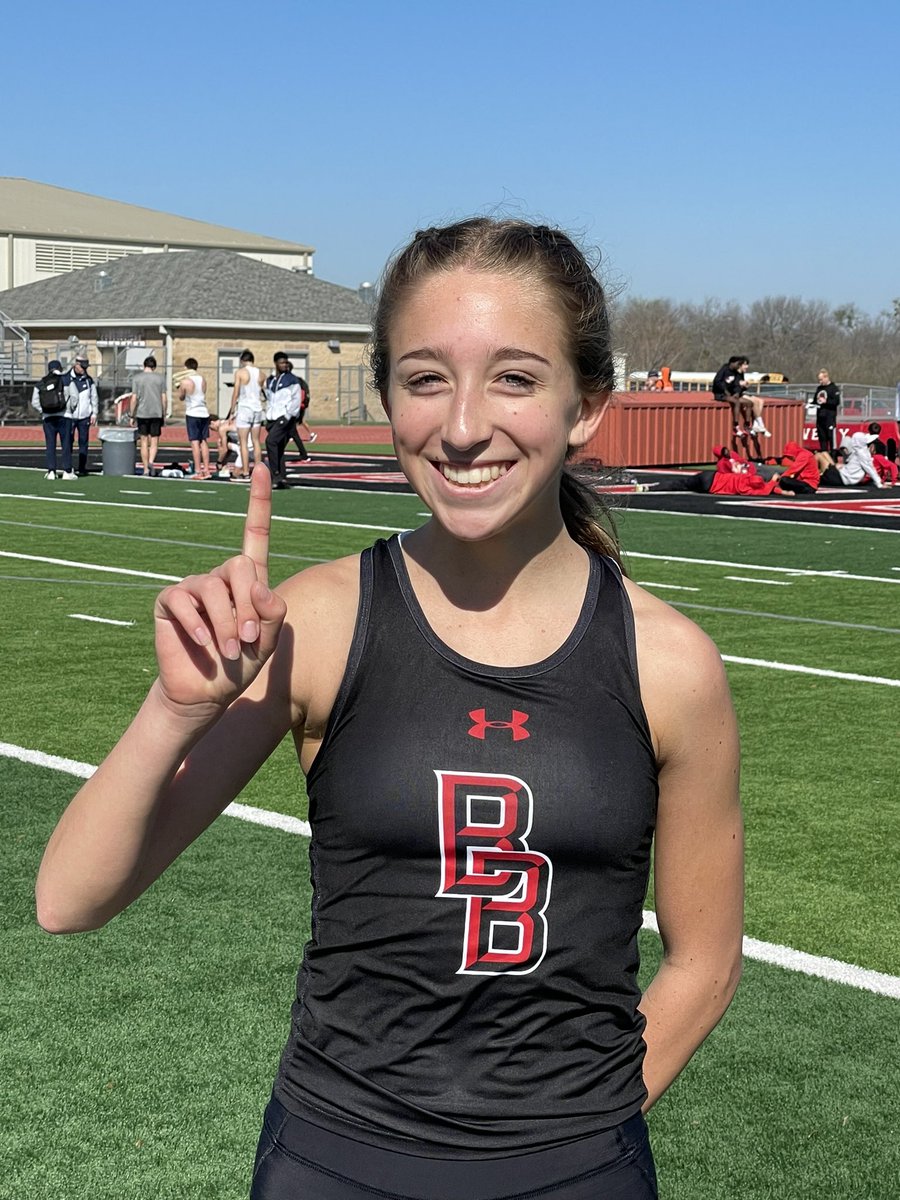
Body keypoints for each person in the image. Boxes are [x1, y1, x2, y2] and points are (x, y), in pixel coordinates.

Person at [36, 218, 744, 1200]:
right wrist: (174, 709)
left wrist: (579, 1136)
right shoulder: (319, 622)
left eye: (514, 377)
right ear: (385, 398)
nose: (463, 425)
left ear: (586, 405)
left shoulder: (668, 664)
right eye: (425, 379)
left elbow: (705, 962)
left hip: (578, 1169)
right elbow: (70, 900)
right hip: (333, 1163)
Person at [264, 352, 304, 487]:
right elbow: (270, 399)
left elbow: (296, 399)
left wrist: (288, 416)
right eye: (282, 362)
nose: (285, 365)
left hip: (284, 418)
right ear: (276, 363)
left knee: (270, 442)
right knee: (279, 447)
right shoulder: (270, 380)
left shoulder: (292, 380)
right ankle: (282, 478)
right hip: (272, 418)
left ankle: (275, 475)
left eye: (286, 362)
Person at [227, 350, 266, 482]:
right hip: (257, 409)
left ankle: (245, 472)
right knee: (256, 441)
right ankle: (258, 471)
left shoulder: (240, 372)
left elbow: (236, 392)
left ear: (242, 361)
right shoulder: (261, 374)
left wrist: (232, 411)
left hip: (245, 408)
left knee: (243, 442)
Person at [127, 356, 167, 476]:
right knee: (154, 440)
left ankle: (145, 469)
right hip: (156, 412)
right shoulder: (160, 378)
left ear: (144, 365)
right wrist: (164, 413)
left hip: (142, 413)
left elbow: (134, 398)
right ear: (154, 367)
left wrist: (131, 415)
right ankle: (151, 461)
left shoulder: (137, 378)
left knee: (143, 441)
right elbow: (164, 397)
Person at [61, 353, 99, 477]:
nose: (84, 370)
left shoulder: (89, 380)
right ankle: (68, 467)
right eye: (82, 367)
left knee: (83, 442)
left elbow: (94, 397)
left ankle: (82, 467)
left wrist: (94, 413)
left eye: (85, 367)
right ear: (76, 364)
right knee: (68, 441)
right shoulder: (66, 378)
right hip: (70, 416)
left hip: (84, 416)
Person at [31, 359, 67, 479]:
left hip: (47, 417)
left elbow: (34, 401)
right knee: (66, 444)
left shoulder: (42, 382)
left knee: (50, 445)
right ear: (60, 368)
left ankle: (51, 471)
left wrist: (43, 410)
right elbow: (69, 396)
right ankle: (67, 470)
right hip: (62, 416)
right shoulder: (64, 380)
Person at [179, 358, 211, 478]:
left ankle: (198, 470)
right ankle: (206, 469)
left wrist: (181, 389)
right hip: (203, 411)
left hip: (193, 412)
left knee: (195, 442)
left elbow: (181, 397)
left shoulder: (185, 381)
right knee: (204, 441)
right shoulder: (202, 379)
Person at [819, 430, 883, 488]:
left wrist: (879, 483)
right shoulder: (860, 452)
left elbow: (870, 469)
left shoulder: (862, 454)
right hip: (840, 474)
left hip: (839, 478)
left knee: (818, 456)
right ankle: (818, 474)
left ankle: (815, 476)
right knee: (824, 453)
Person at [711, 355, 749, 438]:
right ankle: (736, 426)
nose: (739, 366)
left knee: (749, 403)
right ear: (732, 363)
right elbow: (717, 381)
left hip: (731, 394)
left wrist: (738, 391)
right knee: (736, 402)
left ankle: (747, 424)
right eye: (738, 364)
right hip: (720, 394)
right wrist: (725, 390)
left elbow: (736, 384)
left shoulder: (736, 372)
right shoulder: (724, 369)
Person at [813, 369, 840, 457]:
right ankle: (824, 456)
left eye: (821, 379)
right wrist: (811, 404)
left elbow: (836, 402)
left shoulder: (833, 388)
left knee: (831, 438)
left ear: (826, 377)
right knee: (822, 438)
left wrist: (826, 401)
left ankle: (833, 457)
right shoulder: (819, 388)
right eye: (819, 380)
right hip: (820, 418)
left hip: (829, 418)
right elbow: (815, 400)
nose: (820, 382)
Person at [867, 422, 897, 486]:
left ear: (869, 431)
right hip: (876, 475)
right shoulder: (882, 445)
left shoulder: (863, 443)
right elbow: (887, 463)